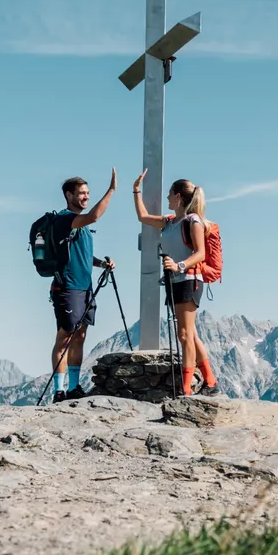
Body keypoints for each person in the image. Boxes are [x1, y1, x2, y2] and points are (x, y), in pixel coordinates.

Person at [132, 170, 220, 396]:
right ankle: (210, 380)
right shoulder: (170, 222)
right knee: (190, 334)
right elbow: (142, 217)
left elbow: (200, 254)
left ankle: (186, 388)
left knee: (183, 334)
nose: (168, 199)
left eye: (170, 195)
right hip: (175, 280)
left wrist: (179, 266)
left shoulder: (194, 222)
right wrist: (135, 190)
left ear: (178, 197)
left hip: (189, 279)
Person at [50, 169, 116, 399]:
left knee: (80, 336)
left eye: (88, 193)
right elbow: (95, 216)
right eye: (82, 193)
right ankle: (59, 391)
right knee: (65, 337)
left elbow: (84, 255)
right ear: (69, 195)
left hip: (84, 287)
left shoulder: (82, 225)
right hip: (68, 287)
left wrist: (101, 264)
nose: (86, 197)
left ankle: (73, 388)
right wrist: (111, 191)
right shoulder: (64, 219)